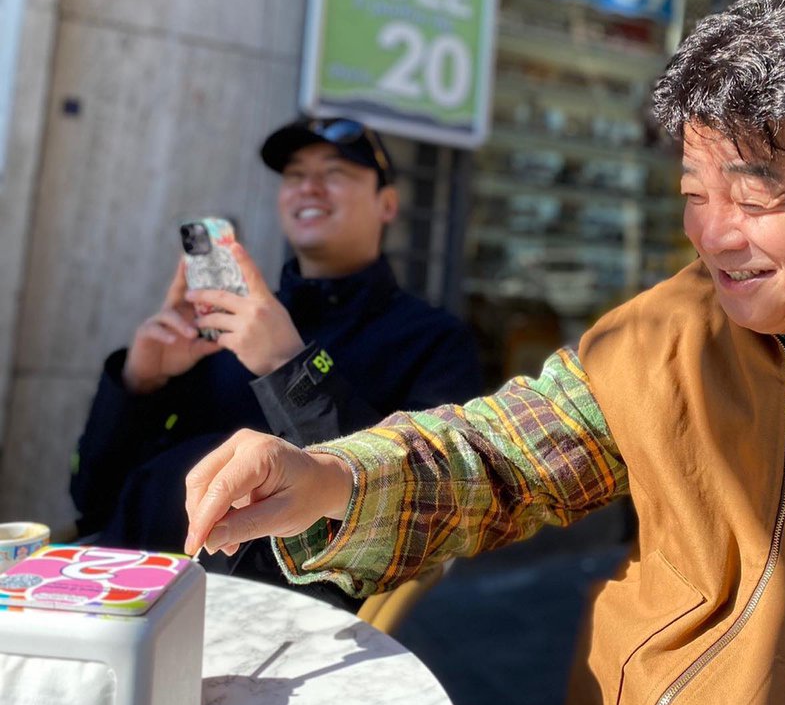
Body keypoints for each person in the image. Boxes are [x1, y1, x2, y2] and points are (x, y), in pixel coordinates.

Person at [183, 0, 785, 705]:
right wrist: (329, 477)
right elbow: (506, 452)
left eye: (756, 200)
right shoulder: (673, 327)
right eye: (697, 194)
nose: (714, 236)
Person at [70, 116, 483, 594]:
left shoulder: (435, 340)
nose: (309, 187)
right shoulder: (229, 320)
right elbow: (92, 498)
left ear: (386, 203)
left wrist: (290, 366)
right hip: (124, 589)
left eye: (335, 173)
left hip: (278, 626)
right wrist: (138, 384)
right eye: (294, 175)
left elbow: (431, 507)